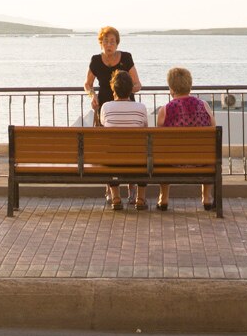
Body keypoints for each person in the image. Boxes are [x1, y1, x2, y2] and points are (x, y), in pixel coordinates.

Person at [152, 66, 217, 212]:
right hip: (201, 160)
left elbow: (160, 139)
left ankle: (164, 198)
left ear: (171, 88)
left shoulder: (165, 110)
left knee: (163, 153)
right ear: (190, 85)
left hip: (174, 161)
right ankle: (206, 197)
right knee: (207, 149)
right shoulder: (204, 105)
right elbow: (213, 128)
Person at [97, 67, 149, 211]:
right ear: (131, 89)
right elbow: (145, 130)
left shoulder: (106, 107)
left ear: (113, 89)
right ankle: (140, 198)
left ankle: (116, 197)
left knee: (109, 153)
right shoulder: (141, 108)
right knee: (144, 155)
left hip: (113, 159)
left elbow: (103, 125)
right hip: (136, 158)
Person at [84, 26, 140, 123]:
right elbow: (87, 84)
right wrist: (92, 95)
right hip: (104, 107)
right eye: (105, 41)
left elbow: (138, 84)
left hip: (126, 106)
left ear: (117, 44)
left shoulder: (126, 58)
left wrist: (124, 91)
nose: (109, 45)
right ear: (101, 43)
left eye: (112, 41)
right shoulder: (96, 60)